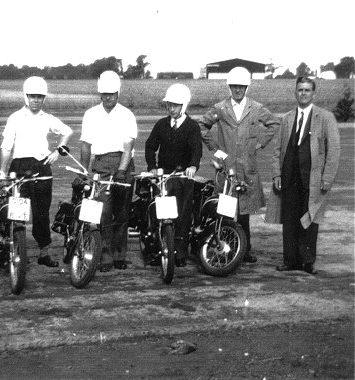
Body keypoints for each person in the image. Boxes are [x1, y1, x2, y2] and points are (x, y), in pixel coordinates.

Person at [198, 66, 279, 263]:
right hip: (226, 166)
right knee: (226, 209)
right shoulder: (220, 108)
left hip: (247, 168)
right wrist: (215, 148)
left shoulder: (256, 108)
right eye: (234, 86)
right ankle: (228, 247)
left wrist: (260, 142)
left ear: (246, 87)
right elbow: (201, 125)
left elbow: (274, 124)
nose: (237, 90)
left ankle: (245, 250)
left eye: (241, 87)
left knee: (244, 212)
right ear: (229, 87)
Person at [265, 77, 340, 274]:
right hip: (290, 178)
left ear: (313, 93)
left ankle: (307, 262)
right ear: (295, 92)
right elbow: (277, 150)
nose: (303, 93)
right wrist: (276, 175)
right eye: (300, 90)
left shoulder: (325, 118)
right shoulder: (288, 118)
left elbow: (334, 151)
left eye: (307, 90)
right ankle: (290, 262)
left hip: (312, 179)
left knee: (310, 218)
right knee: (289, 220)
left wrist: (327, 178)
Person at [0, 76, 73, 268]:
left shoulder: (47, 118)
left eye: (40, 97)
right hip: (20, 167)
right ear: (26, 96)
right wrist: (2, 172)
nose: (36, 100)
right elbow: (7, 147)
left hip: (42, 167)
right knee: (17, 212)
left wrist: (58, 150)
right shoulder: (15, 118)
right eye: (32, 96)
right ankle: (14, 253)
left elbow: (67, 131)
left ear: (44, 98)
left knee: (41, 213)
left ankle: (44, 253)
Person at [79, 70, 138, 272]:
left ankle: (120, 255)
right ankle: (104, 256)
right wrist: (83, 171)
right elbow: (86, 146)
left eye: (112, 93)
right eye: (104, 93)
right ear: (100, 94)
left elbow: (128, 146)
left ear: (118, 93)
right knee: (103, 212)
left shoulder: (127, 115)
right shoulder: (91, 115)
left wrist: (122, 170)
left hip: (123, 164)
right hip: (101, 164)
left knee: (122, 213)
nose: (108, 97)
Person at [145, 83, 202, 266]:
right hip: (164, 177)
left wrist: (193, 166)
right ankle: (158, 249)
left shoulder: (192, 126)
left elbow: (196, 150)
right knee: (159, 213)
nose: (171, 108)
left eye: (175, 105)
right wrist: (152, 166)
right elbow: (150, 146)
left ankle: (180, 253)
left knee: (183, 214)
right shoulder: (161, 124)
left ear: (184, 106)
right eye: (168, 105)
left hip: (184, 177)